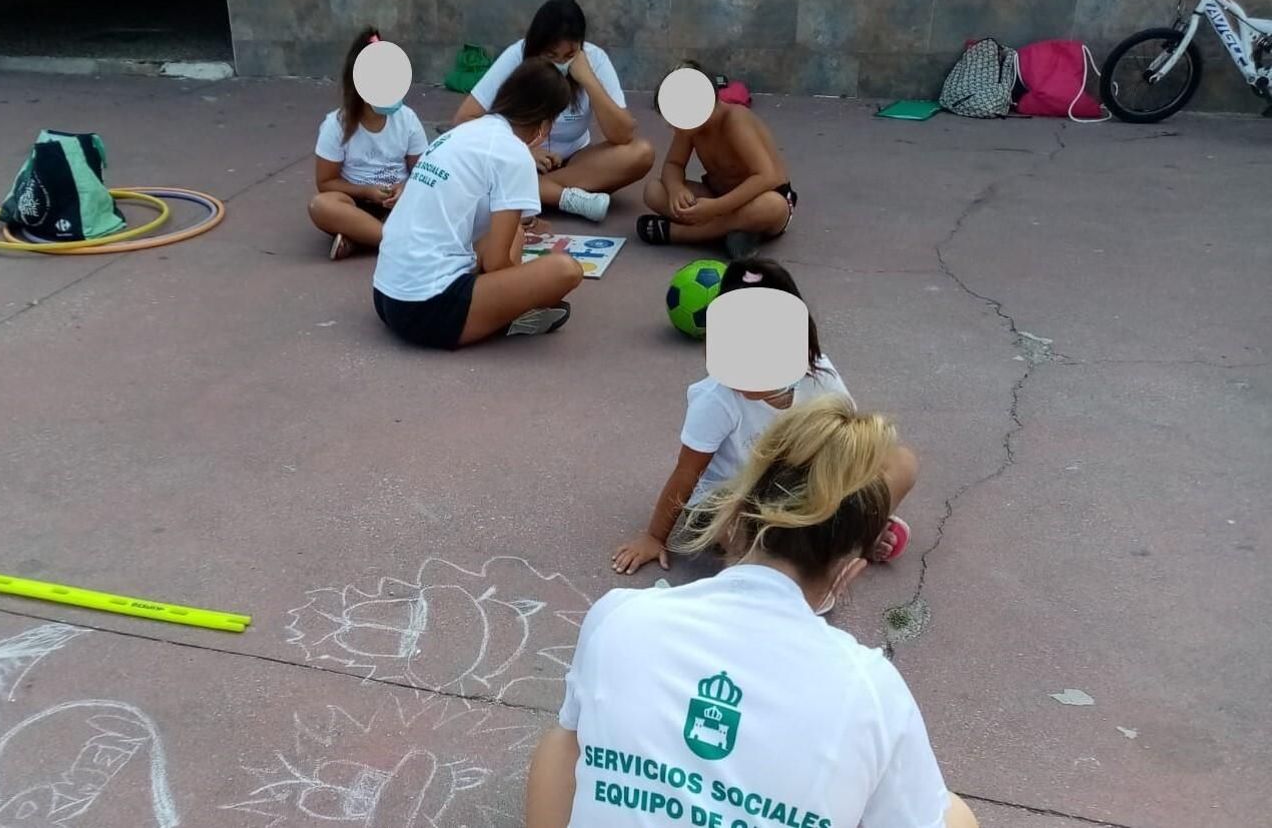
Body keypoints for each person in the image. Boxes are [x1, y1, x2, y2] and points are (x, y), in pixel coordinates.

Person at [528, 395, 979, 828]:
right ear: (849, 571)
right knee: (947, 811)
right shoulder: (873, 691)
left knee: (564, 739)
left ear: (735, 516)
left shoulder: (621, 616)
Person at [611, 258, 915, 575]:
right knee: (733, 527)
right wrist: (654, 536)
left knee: (902, 461)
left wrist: (851, 486)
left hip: (805, 485)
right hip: (740, 498)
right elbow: (687, 472)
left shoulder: (819, 373)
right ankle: (832, 552)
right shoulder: (715, 399)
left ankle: (841, 538)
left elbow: (848, 440)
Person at [372, 57, 584, 350]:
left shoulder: (464, 132)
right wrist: (522, 290)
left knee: (516, 234)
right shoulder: (514, 153)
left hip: (386, 295)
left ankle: (496, 308)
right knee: (565, 270)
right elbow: (498, 263)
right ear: (545, 122)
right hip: (428, 309)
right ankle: (510, 315)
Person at [452, 0, 654, 223]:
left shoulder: (595, 59)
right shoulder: (516, 55)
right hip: (520, 160)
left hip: (574, 162)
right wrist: (522, 151)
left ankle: (537, 193)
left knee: (641, 153)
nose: (560, 63)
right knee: (473, 167)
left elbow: (623, 134)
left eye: (568, 56)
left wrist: (588, 79)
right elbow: (464, 118)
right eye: (550, 56)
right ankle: (561, 197)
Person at [639, 62, 795, 260]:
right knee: (653, 191)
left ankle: (683, 234)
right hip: (717, 196)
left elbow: (767, 177)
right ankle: (734, 233)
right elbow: (673, 164)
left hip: (761, 198)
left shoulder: (735, 120)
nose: (672, 126)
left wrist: (716, 208)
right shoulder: (689, 128)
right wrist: (676, 188)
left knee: (771, 206)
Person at [308, 27, 430, 261]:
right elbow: (325, 182)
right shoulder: (336, 126)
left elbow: (423, 171)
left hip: (400, 200)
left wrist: (405, 189)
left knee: (437, 200)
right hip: (356, 203)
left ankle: (362, 237)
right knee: (320, 206)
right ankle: (393, 239)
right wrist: (366, 192)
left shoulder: (407, 119)